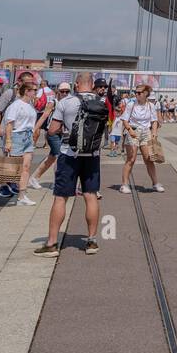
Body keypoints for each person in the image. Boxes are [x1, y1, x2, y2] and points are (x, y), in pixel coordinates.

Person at [37, 72, 108, 256]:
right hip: (92, 155)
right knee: (90, 196)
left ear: (76, 84)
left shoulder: (66, 102)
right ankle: (91, 241)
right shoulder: (101, 103)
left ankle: (52, 244)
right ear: (92, 85)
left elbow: (52, 130)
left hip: (69, 154)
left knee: (61, 197)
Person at [119, 84, 164, 194]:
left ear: (145, 94)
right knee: (131, 158)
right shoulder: (131, 104)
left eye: (139, 93)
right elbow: (124, 120)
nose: (136, 94)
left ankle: (155, 183)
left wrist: (154, 133)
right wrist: (130, 130)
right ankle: (124, 184)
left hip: (145, 132)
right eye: (136, 92)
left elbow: (154, 121)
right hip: (133, 131)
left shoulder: (151, 106)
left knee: (148, 158)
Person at [2, 80, 39, 206]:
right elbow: (9, 124)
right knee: (10, 169)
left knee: (26, 167)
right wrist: (8, 141)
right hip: (17, 136)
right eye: (34, 90)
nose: (36, 92)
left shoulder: (30, 105)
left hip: (27, 137)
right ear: (27, 91)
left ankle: (22, 196)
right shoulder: (16, 105)